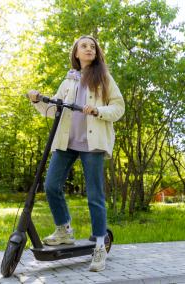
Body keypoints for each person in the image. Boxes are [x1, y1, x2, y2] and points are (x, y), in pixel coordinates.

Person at [27, 35, 125, 272]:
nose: (89, 49)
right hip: (67, 142)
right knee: (51, 185)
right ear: (76, 53)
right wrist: (36, 100)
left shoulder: (104, 78)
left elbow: (119, 107)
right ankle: (64, 230)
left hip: (92, 145)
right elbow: (53, 111)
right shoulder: (69, 81)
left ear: (96, 53)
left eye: (92, 47)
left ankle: (99, 245)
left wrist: (98, 111)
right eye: (84, 46)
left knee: (94, 195)